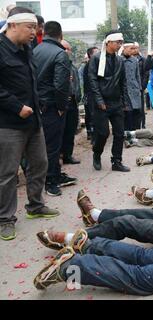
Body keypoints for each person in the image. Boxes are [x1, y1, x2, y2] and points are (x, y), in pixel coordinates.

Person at [0, 7, 60, 241]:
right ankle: (5, 218)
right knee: (7, 173)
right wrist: (17, 107)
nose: (34, 32)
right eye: (30, 27)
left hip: (33, 120)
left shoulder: (27, 48)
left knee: (40, 163)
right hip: (8, 123)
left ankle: (35, 206)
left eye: (36, 28)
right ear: (13, 25)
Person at [34, 21, 76, 196]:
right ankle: (51, 181)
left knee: (45, 144)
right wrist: (61, 106)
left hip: (37, 104)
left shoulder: (35, 50)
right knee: (53, 145)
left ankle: (55, 174)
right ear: (60, 35)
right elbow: (60, 85)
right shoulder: (60, 54)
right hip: (52, 105)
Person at [88, 30, 130, 173]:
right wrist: (99, 100)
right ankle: (97, 153)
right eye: (117, 42)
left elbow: (123, 82)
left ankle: (117, 161)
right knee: (103, 133)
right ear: (108, 42)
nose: (120, 45)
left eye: (121, 42)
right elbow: (92, 81)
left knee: (119, 133)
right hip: (101, 102)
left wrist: (124, 101)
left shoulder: (120, 60)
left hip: (116, 102)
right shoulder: (96, 58)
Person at [61, 39, 82, 165]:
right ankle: (59, 154)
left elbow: (77, 84)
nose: (66, 51)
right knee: (60, 131)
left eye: (68, 49)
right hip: (62, 101)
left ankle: (68, 155)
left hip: (73, 101)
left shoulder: (72, 66)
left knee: (70, 129)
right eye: (63, 48)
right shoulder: (57, 64)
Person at [122, 42, 142, 131]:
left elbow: (137, 76)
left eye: (134, 49)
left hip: (135, 91)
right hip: (124, 92)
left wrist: (139, 89)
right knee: (127, 115)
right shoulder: (119, 60)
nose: (133, 51)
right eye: (131, 49)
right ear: (124, 48)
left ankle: (136, 134)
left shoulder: (134, 60)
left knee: (137, 114)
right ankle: (127, 135)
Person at [82, 46, 99, 141]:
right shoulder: (89, 66)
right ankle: (92, 134)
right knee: (91, 114)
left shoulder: (97, 64)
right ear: (91, 55)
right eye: (96, 52)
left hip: (95, 94)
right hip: (91, 94)